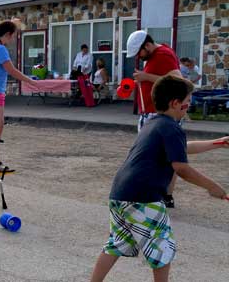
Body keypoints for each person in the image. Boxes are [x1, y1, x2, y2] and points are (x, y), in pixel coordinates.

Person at [89, 76, 229, 282]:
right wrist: (212, 187)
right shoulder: (172, 128)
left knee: (117, 243)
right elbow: (181, 167)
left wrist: (216, 143)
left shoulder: (153, 124)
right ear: (175, 103)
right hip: (144, 198)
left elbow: (181, 149)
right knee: (162, 248)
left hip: (120, 195)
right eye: (187, 102)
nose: (188, 106)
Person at [126, 30, 183, 208]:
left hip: (157, 114)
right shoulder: (157, 55)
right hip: (155, 113)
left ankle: (155, 194)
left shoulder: (163, 54)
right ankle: (164, 195)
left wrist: (146, 77)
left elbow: (178, 80)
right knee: (166, 154)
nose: (138, 57)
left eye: (139, 53)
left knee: (150, 155)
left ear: (148, 45)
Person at [0, 20, 38, 173]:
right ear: (8, 35)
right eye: (12, 36)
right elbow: (12, 70)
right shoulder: (0, 49)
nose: (12, 40)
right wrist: (29, 80)